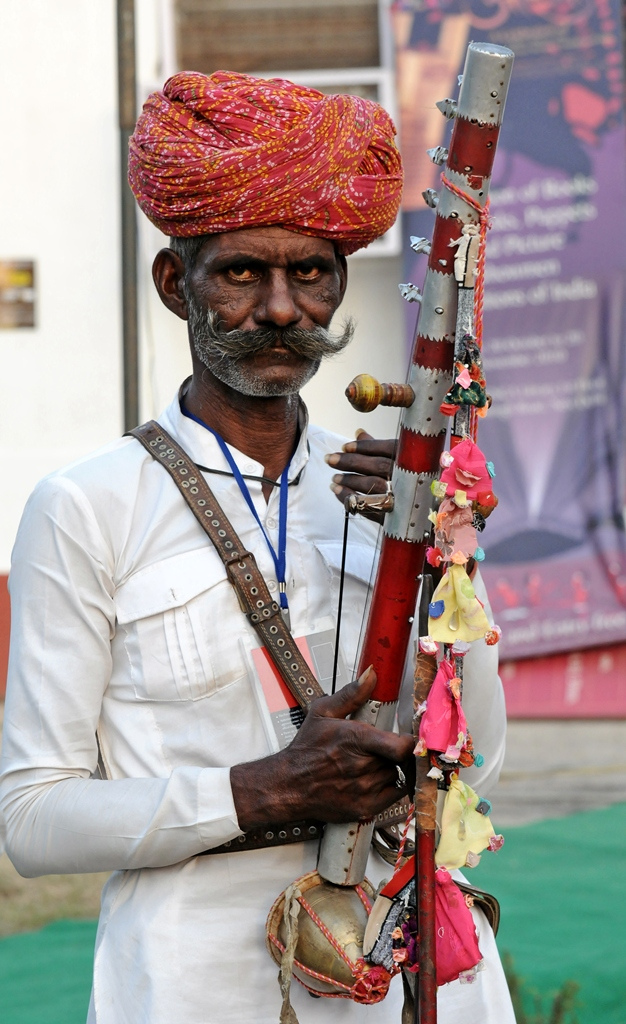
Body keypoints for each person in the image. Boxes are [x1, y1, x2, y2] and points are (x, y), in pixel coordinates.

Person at [0, 71, 513, 1023]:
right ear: (173, 284)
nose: (282, 309)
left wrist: (451, 563)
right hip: (201, 979)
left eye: (309, 273)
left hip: (412, 967)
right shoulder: (86, 506)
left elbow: (475, 768)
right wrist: (261, 790)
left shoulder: (393, 497)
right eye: (241, 273)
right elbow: (31, 819)